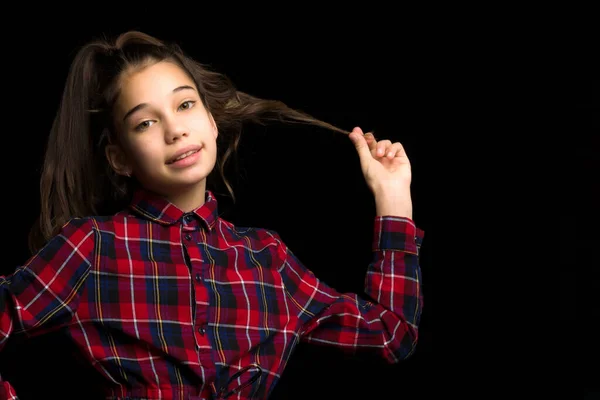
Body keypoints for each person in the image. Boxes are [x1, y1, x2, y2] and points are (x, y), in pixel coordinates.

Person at [0, 30, 425, 400]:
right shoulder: (92, 248)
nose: (175, 130)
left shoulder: (267, 258)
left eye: (185, 106)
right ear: (119, 158)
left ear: (211, 119)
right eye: (145, 123)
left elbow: (391, 335)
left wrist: (393, 198)